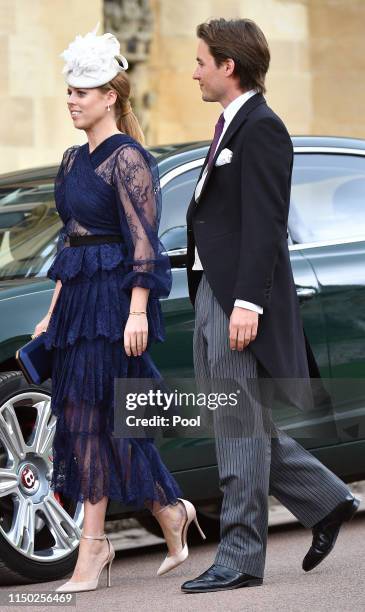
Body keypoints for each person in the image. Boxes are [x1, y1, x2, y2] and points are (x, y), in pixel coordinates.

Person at [181, 18, 360, 594]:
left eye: (202, 61)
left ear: (228, 65)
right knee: (238, 421)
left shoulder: (261, 128)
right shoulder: (230, 124)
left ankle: (239, 558)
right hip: (210, 291)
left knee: (235, 425)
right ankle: (327, 499)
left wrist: (247, 304)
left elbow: (265, 226)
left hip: (236, 299)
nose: (195, 71)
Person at [32, 23, 204, 593]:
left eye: (82, 92)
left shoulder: (129, 159)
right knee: (91, 421)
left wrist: (136, 311)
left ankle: (93, 552)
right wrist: (52, 312)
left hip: (113, 305)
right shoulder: (69, 159)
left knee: (94, 421)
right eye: (69, 91)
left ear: (110, 96)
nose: (71, 100)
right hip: (78, 302)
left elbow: (143, 244)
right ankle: (169, 512)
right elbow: (69, 241)